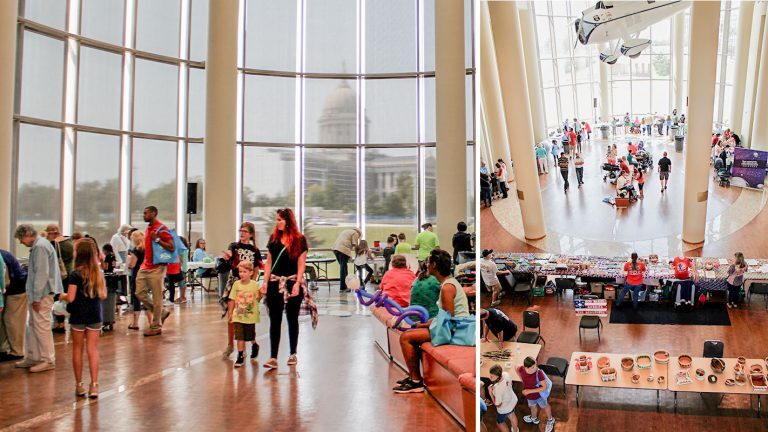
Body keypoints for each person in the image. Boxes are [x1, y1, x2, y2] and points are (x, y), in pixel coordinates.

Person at [393, 249, 470, 394]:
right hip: (454, 327)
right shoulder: (447, 284)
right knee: (413, 333)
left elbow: (448, 321)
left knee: (406, 337)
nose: (426, 265)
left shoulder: (447, 288)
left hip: (456, 330)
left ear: (434, 265)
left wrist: (422, 325)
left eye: (428, 262)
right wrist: (423, 325)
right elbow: (444, 317)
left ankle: (416, 382)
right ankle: (414, 377)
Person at [260, 208, 308, 369]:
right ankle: (273, 357)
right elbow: (268, 263)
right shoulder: (273, 239)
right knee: (275, 319)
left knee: (292, 318)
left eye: (280, 219)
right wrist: (265, 282)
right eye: (276, 220)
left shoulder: (300, 240)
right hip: (275, 283)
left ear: (288, 221)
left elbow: (301, 264)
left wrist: (298, 283)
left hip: (292, 281)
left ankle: (293, 353)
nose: (277, 222)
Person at [59, 241, 107, 398]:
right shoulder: (98, 272)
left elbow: (71, 298)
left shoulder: (75, 274)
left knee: (77, 349)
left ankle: (79, 385)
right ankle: (94, 385)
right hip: (95, 314)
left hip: (78, 314)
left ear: (78, 254)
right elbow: (103, 295)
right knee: (93, 350)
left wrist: (61, 296)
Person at [14, 224, 63, 372]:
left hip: (42, 294)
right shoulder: (39, 245)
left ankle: (48, 359)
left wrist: (36, 298)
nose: (21, 242)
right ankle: (34, 356)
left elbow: (42, 274)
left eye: (21, 238)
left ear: (28, 235)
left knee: (41, 326)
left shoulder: (40, 247)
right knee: (33, 325)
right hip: (40, 293)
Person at [221, 222, 263, 358]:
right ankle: (230, 344)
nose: (242, 233)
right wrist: (227, 256)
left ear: (250, 234)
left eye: (245, 231)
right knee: (232, 314)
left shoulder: (254, 250)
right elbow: (229, 255)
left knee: (245, 315)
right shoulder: (234, 246)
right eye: (241, 230)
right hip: (234, 283)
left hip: (248, 286)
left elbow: (256, 268)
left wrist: (253, 285)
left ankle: (245, 346)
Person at [135, 206, 174, 337]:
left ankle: (156, 326)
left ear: (154, 213)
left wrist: (157, 239)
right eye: (143, 213)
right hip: (145, 266)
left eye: (146, 213)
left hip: (157, 267)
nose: (144, 215)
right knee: (139, 293)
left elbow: (171, 247)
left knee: (157, 298)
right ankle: (162, 312)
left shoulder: (161, 228)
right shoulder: (148, 228)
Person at [227, 260, 261, 368]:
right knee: (239, 336)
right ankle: (240, 355)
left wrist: (262, 292)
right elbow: (232, 299)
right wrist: (230, 312)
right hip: (238, 316)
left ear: (251, 272)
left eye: (244, 272)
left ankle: (254, 344)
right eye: (240, 272)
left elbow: (258, 298)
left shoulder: (255, 285)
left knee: (250, 336)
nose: (242, 274)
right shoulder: (236, 284)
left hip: (250, 317)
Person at [0, 249, 27, 362]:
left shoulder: (2, 257)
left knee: (12, 320)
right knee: (3, 319)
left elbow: (5, 282)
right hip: (10, 289)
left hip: (17, 290)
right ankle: (2, 349)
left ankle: (17, 352)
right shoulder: (3, 254)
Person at [517, 357, 555, 432]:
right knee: (532, 406)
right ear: (526, 368)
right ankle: (534, 418)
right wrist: (522, 379)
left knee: (545, 406)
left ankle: (550, 420)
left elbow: (544, 387)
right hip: (530, 396)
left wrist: (529, 391)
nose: (536, 368)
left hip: (539, 395)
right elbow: (516, 367)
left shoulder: (539, 373)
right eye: (533, 367)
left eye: (536, 365)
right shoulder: (522, 369)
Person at [489, 364, 519, 432]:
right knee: (512, 416)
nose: (490, 377)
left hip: (504, 408)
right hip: (512, 401)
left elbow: (498, 405)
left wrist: (490, 393)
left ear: (498, 376)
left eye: (491, 376)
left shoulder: (497, 389)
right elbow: (511, 384)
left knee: (500, 423)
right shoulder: (506, 374)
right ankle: (515, 430)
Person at [332, 227, 361, 293]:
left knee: (343, 269)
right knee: (343, 270)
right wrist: (358, 255)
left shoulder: (346, 231)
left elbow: (347, 243)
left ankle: (345, 287)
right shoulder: (355, 233)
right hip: (342, 250)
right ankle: (343, 288)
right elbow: (355, 245)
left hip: (336, 249)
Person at [127, 231, 145, 330]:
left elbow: (132, 265)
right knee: (145, 297)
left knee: (136, 297)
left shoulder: (136, 250)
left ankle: (135, 323)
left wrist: (128, 263)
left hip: (137, 274)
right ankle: (151, 321)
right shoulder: (147, 250)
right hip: (146, 274)